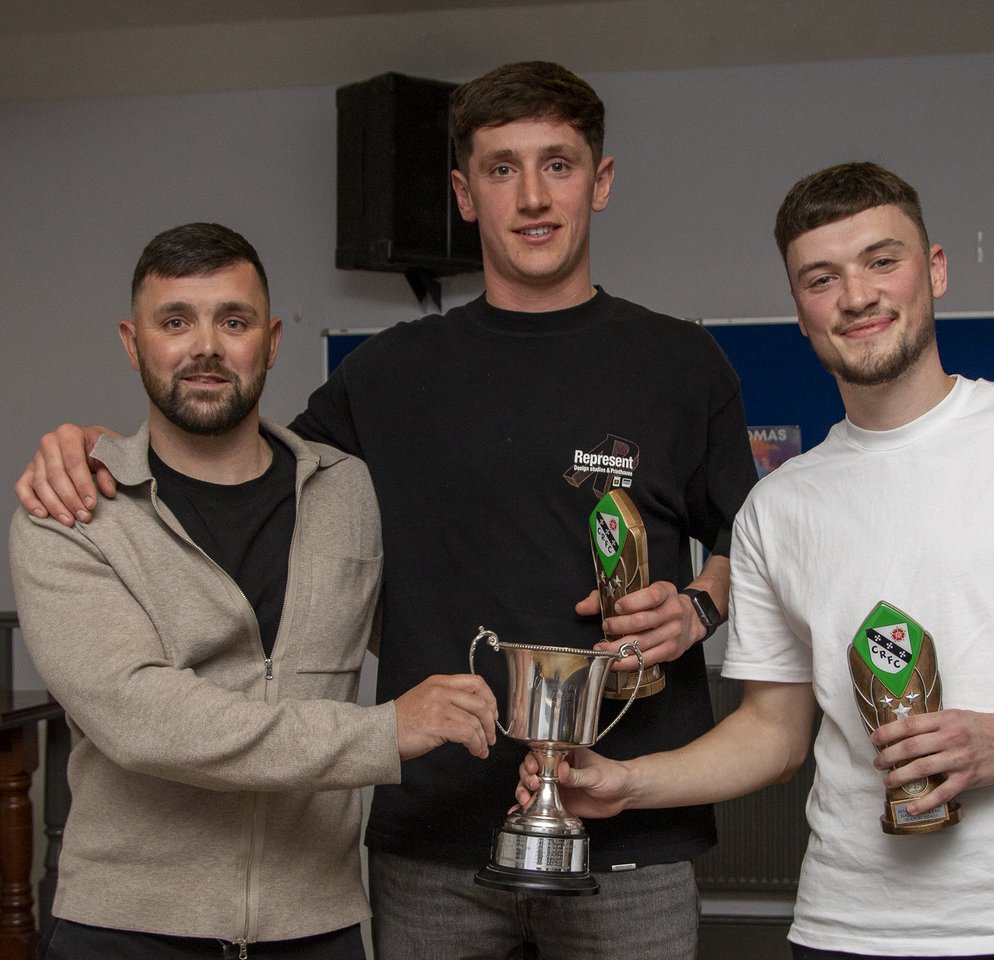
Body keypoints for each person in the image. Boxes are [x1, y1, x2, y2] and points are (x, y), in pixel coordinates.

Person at [15, 64, 759, 960]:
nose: (531, 197)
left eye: (558, 165)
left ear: (600, 182)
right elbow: (237, 454)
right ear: (463, 193)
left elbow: (759, 548)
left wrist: (702, 603)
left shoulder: (683, 364)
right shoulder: (385, 375)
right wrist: (97, 444)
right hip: (429, 841)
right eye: (499, 169)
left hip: (631, 838)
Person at [516, 162, 994, 960]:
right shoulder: (778, 507)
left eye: (883, 260)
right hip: (851, 931)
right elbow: (773, 733)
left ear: (934, 268)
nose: (858, 296)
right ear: (801, 309)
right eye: (822, 278)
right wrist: (628, 784)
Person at [10, 223, 498, 960]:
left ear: (269, 342)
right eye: (175, 321)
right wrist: (383, 732)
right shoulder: (72, 510)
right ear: (131, 341)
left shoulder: (348, 491)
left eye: (232, 321)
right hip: (125, 931)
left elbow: (434, 614)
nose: (205, 346)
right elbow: (143, 718)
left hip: (318, 927)